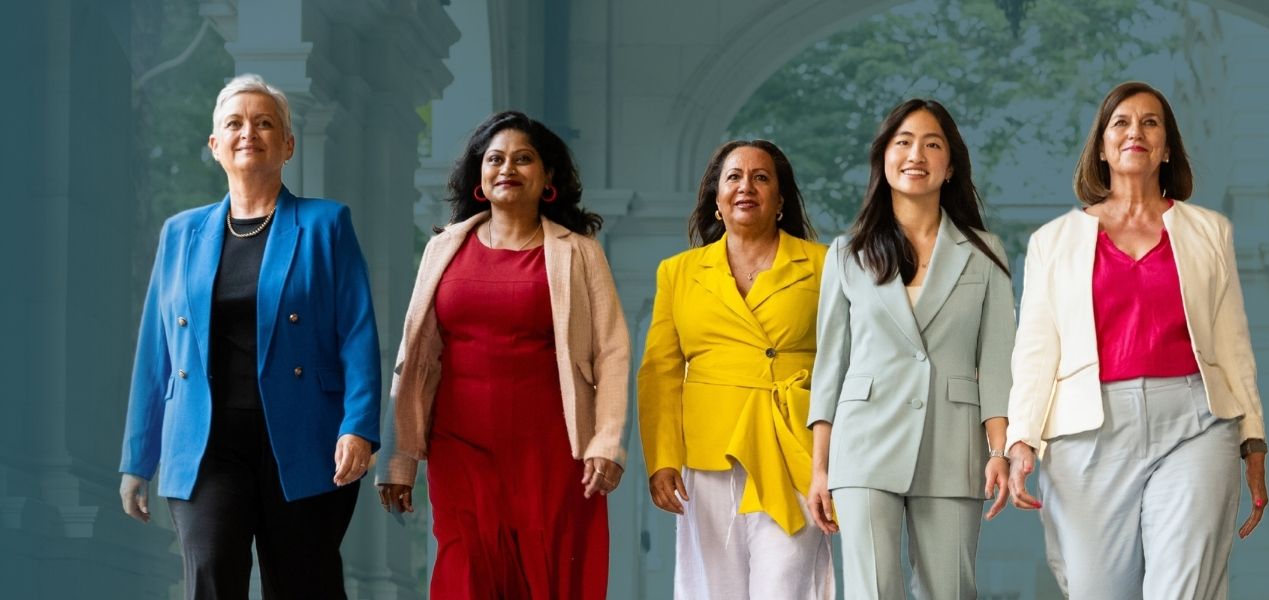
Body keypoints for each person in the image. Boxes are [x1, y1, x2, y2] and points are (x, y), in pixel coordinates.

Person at [118, 73, 380, 599]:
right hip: (205, 441)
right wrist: (137, 459)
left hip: (307, 437)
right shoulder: (179, 233)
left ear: (287, 144)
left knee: (304, 584)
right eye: (234, 124)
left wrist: (359, 427)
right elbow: (156, 352)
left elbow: (356, 332)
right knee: (212, 572)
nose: (248, 133)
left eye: (264, 123)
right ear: (214, 145)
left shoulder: (327, 224)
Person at [1003, 81, 1268, 599]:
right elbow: (1035, 350)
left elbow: (1234, 343)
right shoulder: (1052, 242)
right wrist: (1021, 439)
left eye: (1151, 123)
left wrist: (1253, 437)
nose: (1135, 132)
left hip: (1196, 422)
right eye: (1120, 122)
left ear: (1167, 147)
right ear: (1101, 146)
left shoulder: (1209, 231)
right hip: (1088, 430)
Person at [376, 111, 629, 598]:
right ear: (479, 176)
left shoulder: (579, 252)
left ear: (548, 176)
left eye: (523, 159)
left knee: (547, 577)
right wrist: (399, 457)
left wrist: (607, 443)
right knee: (466, 573)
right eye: (495, 159)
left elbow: (613, 351)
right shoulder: (443, 249)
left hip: (552, 451)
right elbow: (416, 357)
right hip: (459, 447)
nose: (507, 168)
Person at [803, 98, 1017, 599]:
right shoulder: (847, 253)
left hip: (953, 444)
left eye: (932, 143)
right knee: (871, 592)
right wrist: (819, 468)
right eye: (903, 142)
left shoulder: (985, 253)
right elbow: (830, 366)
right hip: (862, 447)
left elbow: (997, 361)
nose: (915, 153)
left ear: (950, 166)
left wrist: (1000, 450)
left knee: (951, 592)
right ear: (884, 158)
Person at [638, 140, 834, 599]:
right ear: (717, 199)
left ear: (781, 200)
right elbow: (660, 372)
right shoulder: (678, 272)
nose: (746, 186)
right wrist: (662, 458)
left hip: (794, 447)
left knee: (786, 587)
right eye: (734, 177)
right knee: (713, 589)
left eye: (761, 177)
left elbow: (844, 361)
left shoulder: (824, 265)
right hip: (709, 453)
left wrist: (835, 453)